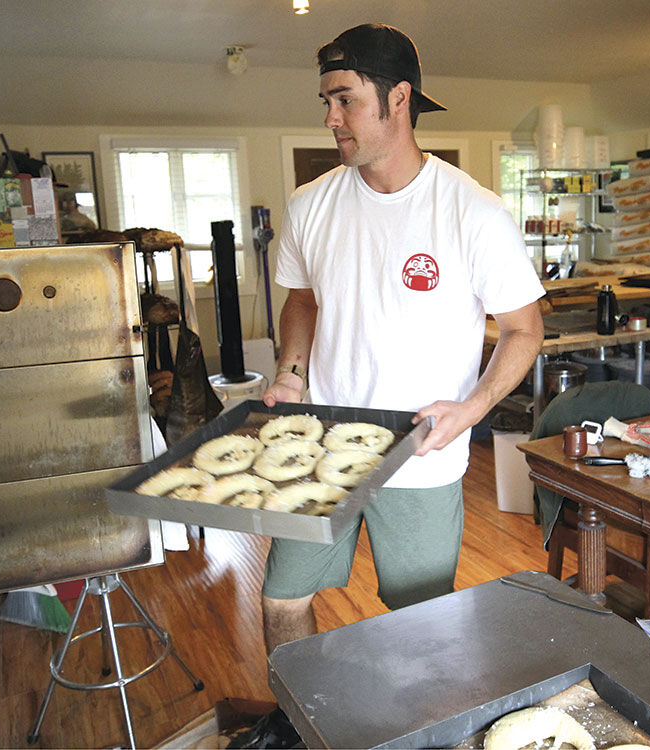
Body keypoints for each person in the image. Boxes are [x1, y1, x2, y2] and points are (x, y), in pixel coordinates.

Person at [227, 23, 545, 749]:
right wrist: (292, 369)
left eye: (344, 99)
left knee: (422, 621)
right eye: (326, 101)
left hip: (424, 457)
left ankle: (423, 734)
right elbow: (301, 298)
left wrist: (472, 408)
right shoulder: (312, 204)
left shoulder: (473, 211)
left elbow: (524, 330)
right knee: (282, 600)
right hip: (325, 449)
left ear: (398, 98)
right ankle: (304, 725)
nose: (330, 118)